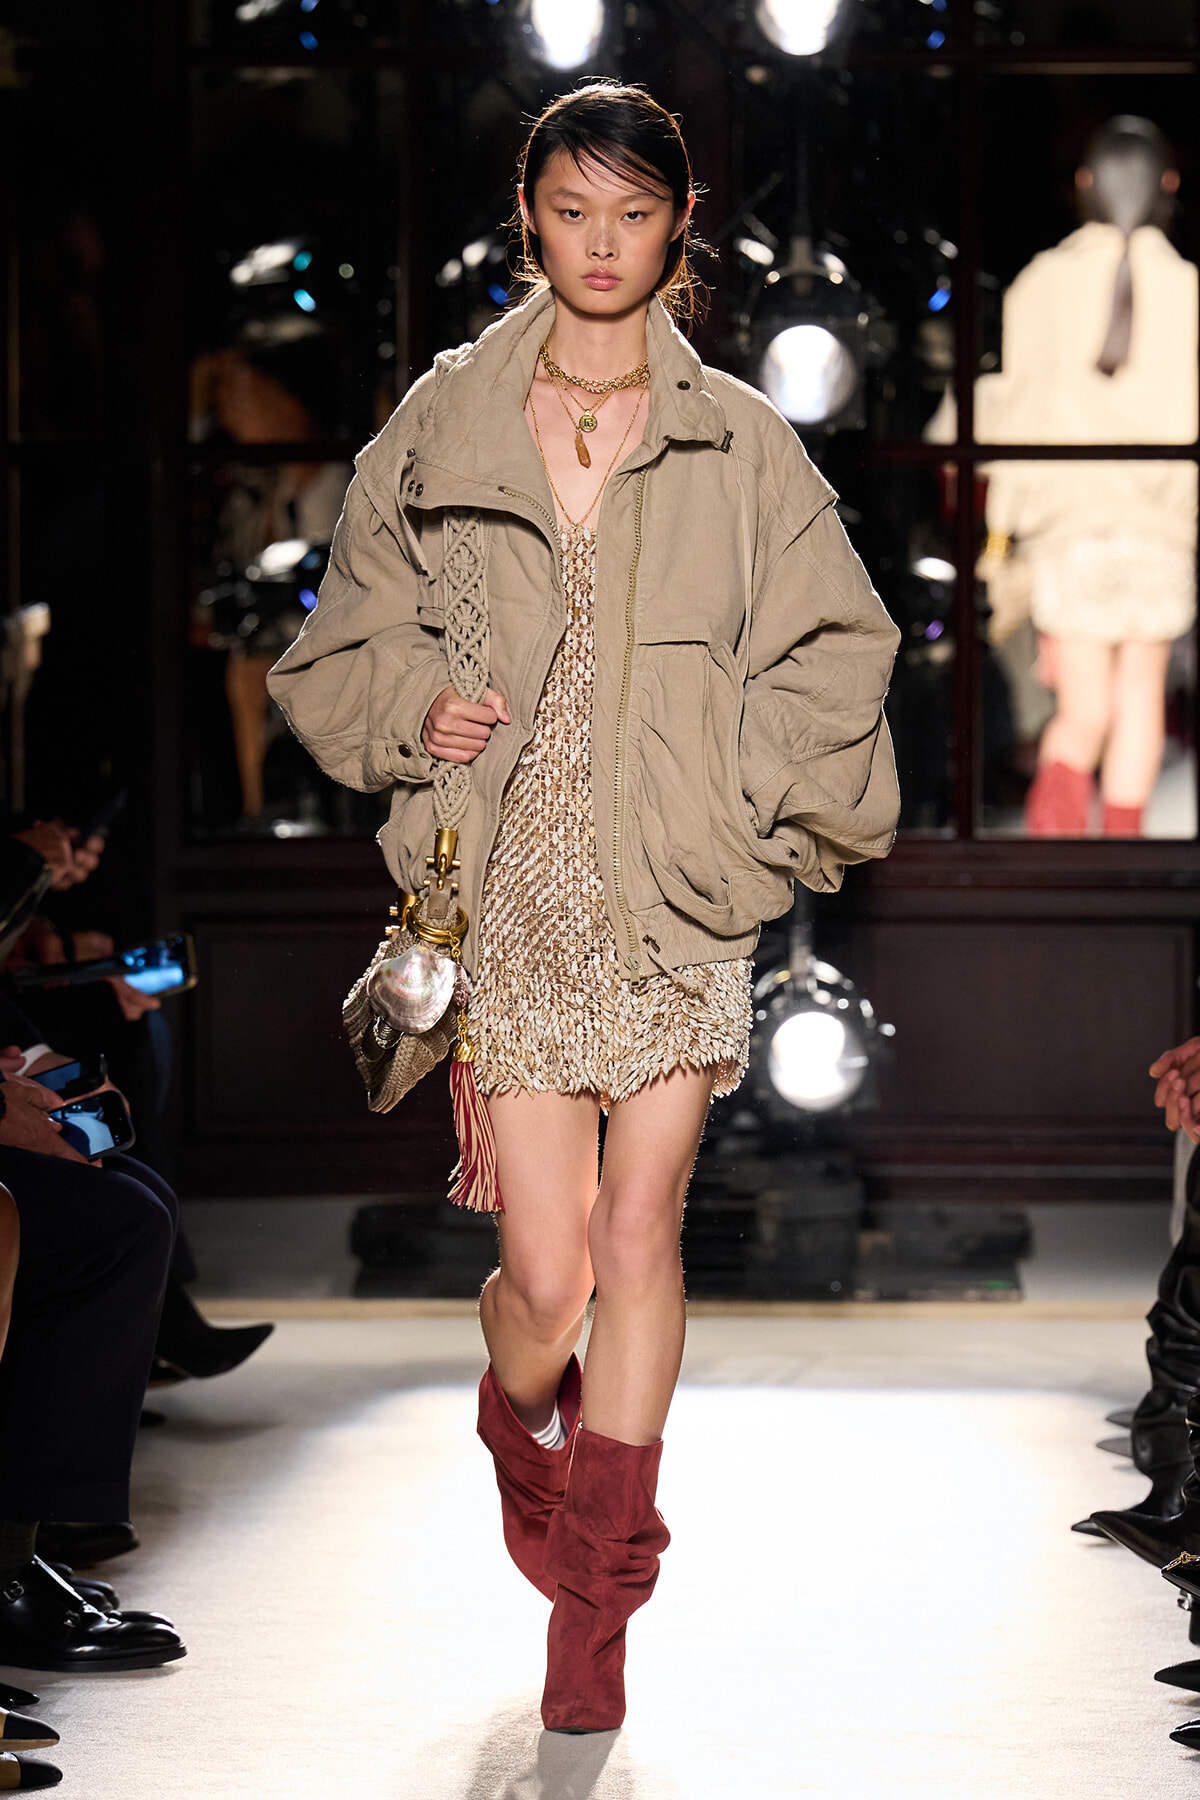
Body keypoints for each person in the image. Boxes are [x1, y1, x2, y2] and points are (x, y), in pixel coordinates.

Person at [268, 82, 900, 1733]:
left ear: (679, 226)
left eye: (633, 214)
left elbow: (841, 646)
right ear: (529, 220)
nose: (601, 244)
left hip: (675, 891)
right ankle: (519, 1421)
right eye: (572, 212)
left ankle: (596, 1610)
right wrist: (415, 707)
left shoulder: (741, 439)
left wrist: (739, 793)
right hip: (511, 889)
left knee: (640, 1232)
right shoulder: (448, 416)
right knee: (547, 1282)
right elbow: (339, 636)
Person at [979, 116, 1198, 838]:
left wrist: (1003, 531)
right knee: (1141, 697)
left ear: (1083, 184)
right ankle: (1122, 860)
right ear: (1168, 185)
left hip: (1067, 528)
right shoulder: (1190, 290)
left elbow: (1014, 416)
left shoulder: (1040, 284)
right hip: (1160, 530)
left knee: (1082, 712)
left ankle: (1056, 860)